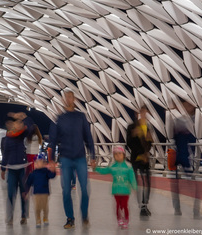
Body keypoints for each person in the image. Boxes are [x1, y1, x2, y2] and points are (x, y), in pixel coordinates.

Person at [47, 88, 96, 229]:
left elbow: (88, 137)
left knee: (85, 189)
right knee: (66, 191)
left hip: (80, 158)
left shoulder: (81, 117)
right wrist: (51, 160)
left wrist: (92, 156)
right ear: (63, 100)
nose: (68, 99)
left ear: (74, 100)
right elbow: (53, 141)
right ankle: (70, 218)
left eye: (71, 97)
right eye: (66, 97)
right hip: (66, 159)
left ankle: (84, 214)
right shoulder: (59, 119)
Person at [171, 99, 202, 218]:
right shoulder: (180, 121)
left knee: (188, 184)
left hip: (185, 158)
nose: (188, 107)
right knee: (180, 184)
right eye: (186, 105)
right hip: (182, 157)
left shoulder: (191, 120)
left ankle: (192, 210)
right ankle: (181, 208)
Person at [94, 146, 137, 229]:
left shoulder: (128, 166)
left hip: (125, 190)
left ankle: (126, 219)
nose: (118, 155)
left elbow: (132, 178)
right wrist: (96, 168)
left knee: (124, 206)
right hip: (116, 190)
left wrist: (134, 187)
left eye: (120, 153)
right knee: (118, 206)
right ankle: (119, 219)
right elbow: (104, 171)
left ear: (124, 155)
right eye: (116, 154)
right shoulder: (112, 166)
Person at [1, 116, 30, 225]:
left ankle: (24, 215)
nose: (16, 125)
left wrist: (23, 117)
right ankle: (10, 217)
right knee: (10, 194)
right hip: (12, 170)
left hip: (22, 168)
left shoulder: (22, 134)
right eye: (15, 124)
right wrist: (3, 169)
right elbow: (6, 153)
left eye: (19, 123)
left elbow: (31, 127)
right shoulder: (8, 137)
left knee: (24, 193)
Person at [126, 105, 154, 216]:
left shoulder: (148, 127)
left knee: (147, 182)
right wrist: (134, 135)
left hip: (145, 159)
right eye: (142, 112)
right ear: (139, 113)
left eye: (146, 113)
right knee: (137, 183)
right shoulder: (132, 127)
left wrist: (146, 150)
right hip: (136, 158)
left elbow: (150, 143)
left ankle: (144, 205)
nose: (144, 115)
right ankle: (141, 206)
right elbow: (129, 142)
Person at [25, 153, 56, 228]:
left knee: (45, 207)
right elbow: (28, 183)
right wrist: (26, 192)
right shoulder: (33, 174)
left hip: (45, 193)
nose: (36, 164)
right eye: (35, 162)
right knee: (37, 208)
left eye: (39, 162)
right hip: (36, 194)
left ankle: (45, 217)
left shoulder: (46, 171)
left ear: (44, 163)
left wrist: (53, 170)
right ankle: (38, 219)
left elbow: (52, 176)